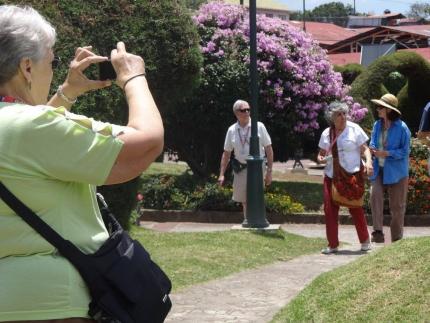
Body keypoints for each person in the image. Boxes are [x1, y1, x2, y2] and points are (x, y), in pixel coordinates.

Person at [0, 5, 163, 323]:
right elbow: (146, 144)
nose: (55, 69)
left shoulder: (20, 129)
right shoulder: (32, 128)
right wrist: (134, 78)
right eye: (53, 61)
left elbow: (29, 155)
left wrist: (67, 92)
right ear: (27, 68)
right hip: (54, 303)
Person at [317, 102, 373, 254]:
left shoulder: (355, 129)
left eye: (344, 114)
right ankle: (333, 245)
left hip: (351, 175)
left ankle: (365, 241)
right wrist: (321, 159)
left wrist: (368, 162)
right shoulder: (326, 133)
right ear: (332, 118)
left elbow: (365, 149)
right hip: (331, 176)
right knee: (330, 211)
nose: (342, 117)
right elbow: (321, 153)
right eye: (338, 115)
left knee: (356, 208)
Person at [218, 100, 273, 221]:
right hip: (241, 167)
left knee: (256, 196)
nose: (247, 112)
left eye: (248, 109)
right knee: (244, 199)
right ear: (236, 113)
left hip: (258, 168)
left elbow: (268, 148)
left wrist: (269, 171)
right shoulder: (232, 130)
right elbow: (226, 153)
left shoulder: (259, 126)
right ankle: (248, 220)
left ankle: (258, 220)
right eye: (243, 110)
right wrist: (221, 174)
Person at [369, 94, 411, 243]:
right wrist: (373, 148)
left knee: (397, 207)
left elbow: (405, 151)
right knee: (375, 195)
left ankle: (397, 239)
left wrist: (387, 153)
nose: (377, 109)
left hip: (397, 173)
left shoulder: (402, 128)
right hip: (379, 169)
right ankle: (378, 232)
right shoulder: (377, 125)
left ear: (388, 110)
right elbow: (373, 142)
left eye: (380, 107)